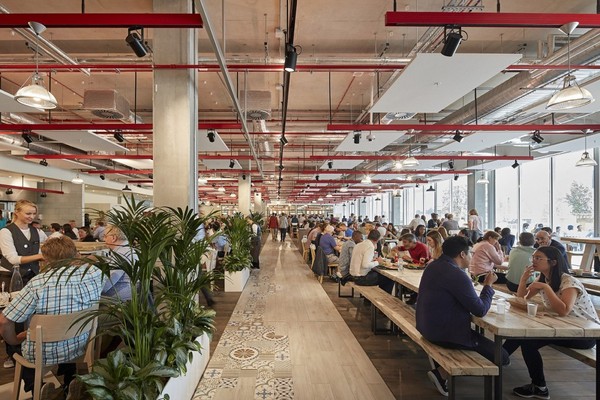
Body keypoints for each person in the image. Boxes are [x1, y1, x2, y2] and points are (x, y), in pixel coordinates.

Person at [0, 236, 103, 398]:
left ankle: (37, 388)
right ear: (76, 253)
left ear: (46, 259)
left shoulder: (38, 283)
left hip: (43, 353)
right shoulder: (95, 273)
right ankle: (70, 381)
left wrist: (15, 340)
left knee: (12, 341)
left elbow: (4, 321)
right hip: (81, 343)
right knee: (65, 332)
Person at [416, 236, 509, 396]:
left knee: (489, 347)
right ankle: (441, 373)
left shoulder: (433, 266)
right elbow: (480, 310)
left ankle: (443, 367)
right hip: (445, 334)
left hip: (426, 326)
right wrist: (488, 285)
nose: (472, 257)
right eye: (471, 253)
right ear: (462, 254)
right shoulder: (456, 274)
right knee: (503, 357)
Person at [503, 246, 599, 399]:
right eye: (533, 257)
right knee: (523, 332)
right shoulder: (543, 279)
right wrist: (523, 280)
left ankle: (539, 387)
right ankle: (500, 358)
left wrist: (545, 288)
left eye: (538, 258)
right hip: (563, 327)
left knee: (528, 341)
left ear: (553, 262)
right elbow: (522, 299)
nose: (533, 260)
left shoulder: (568, 281)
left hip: (584, 334)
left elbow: (564, 311)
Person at [0, 200, 48, 369]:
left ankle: (28, 350)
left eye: (33, 213)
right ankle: (12, 354)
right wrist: (40, 257)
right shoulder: (6, 232)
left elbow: (46, 246)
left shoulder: (37, 231)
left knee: (30, 315)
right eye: (28, 213)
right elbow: (13, 259)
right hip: (11, 276)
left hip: (32, 276)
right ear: (17, 212)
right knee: (12, 316)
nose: (31, 217)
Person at [102, 225, 136, 301]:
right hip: (130, 293)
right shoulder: (127, 249)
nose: (104, 239)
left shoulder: (119, 255)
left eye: (105, 236)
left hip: (121, 298)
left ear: (113, 238)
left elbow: (107, 284)